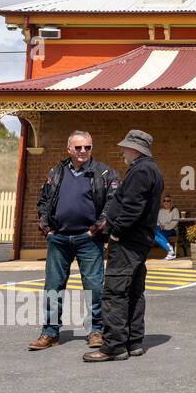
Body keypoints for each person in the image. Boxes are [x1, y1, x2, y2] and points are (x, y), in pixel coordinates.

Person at [29, 130, 119, 352]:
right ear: (69, 149)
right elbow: (42, 201)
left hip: (89, 239)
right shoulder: (56, 172)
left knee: (94, 287)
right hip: (58, 238)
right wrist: (47, 229)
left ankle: (95, 331)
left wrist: (94, 231)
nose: (83, 151)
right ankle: (50, 332)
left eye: (87, 147)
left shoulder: (105, 173)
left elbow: (112, 205)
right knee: (53, 286)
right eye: (78, 147)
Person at [84, 130, 164, 363]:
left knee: (115, 293)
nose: (123, 152)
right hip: (139, 242)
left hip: (128, 242)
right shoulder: (151, 170)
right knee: (134, 292)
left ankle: (114, 346)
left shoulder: (140, 170)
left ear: (135, 149)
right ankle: (133, 342)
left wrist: (117, 231)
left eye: (125, 148)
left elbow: (132, 207)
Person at [156, 193, 181, 260]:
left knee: (154, 234)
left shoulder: (174, 210)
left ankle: (169, 250)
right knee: (154, 234)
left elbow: (175, 222)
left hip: (171, 230)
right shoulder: (160, 211)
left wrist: (165, 227)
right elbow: (157, 221)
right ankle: (170, 251)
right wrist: (160, 225)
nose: (166, 202)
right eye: (164, 200)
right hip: (160, 229)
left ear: (171, 202)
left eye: (168, 201)